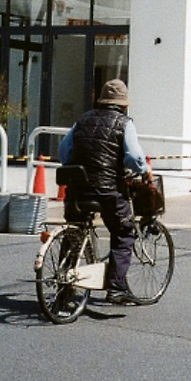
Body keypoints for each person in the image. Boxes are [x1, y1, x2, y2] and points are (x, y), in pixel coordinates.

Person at [57, 79, 151, 304]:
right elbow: (134, 157)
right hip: (107, 189)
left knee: (74, 233)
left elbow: (63, 152)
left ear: (101, 101)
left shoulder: (82, 120)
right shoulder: (124, 123)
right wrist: (144, 170)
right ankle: (117, 288)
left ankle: (64, 286)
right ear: (124, 105)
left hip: (77, 189)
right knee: (124, 231)